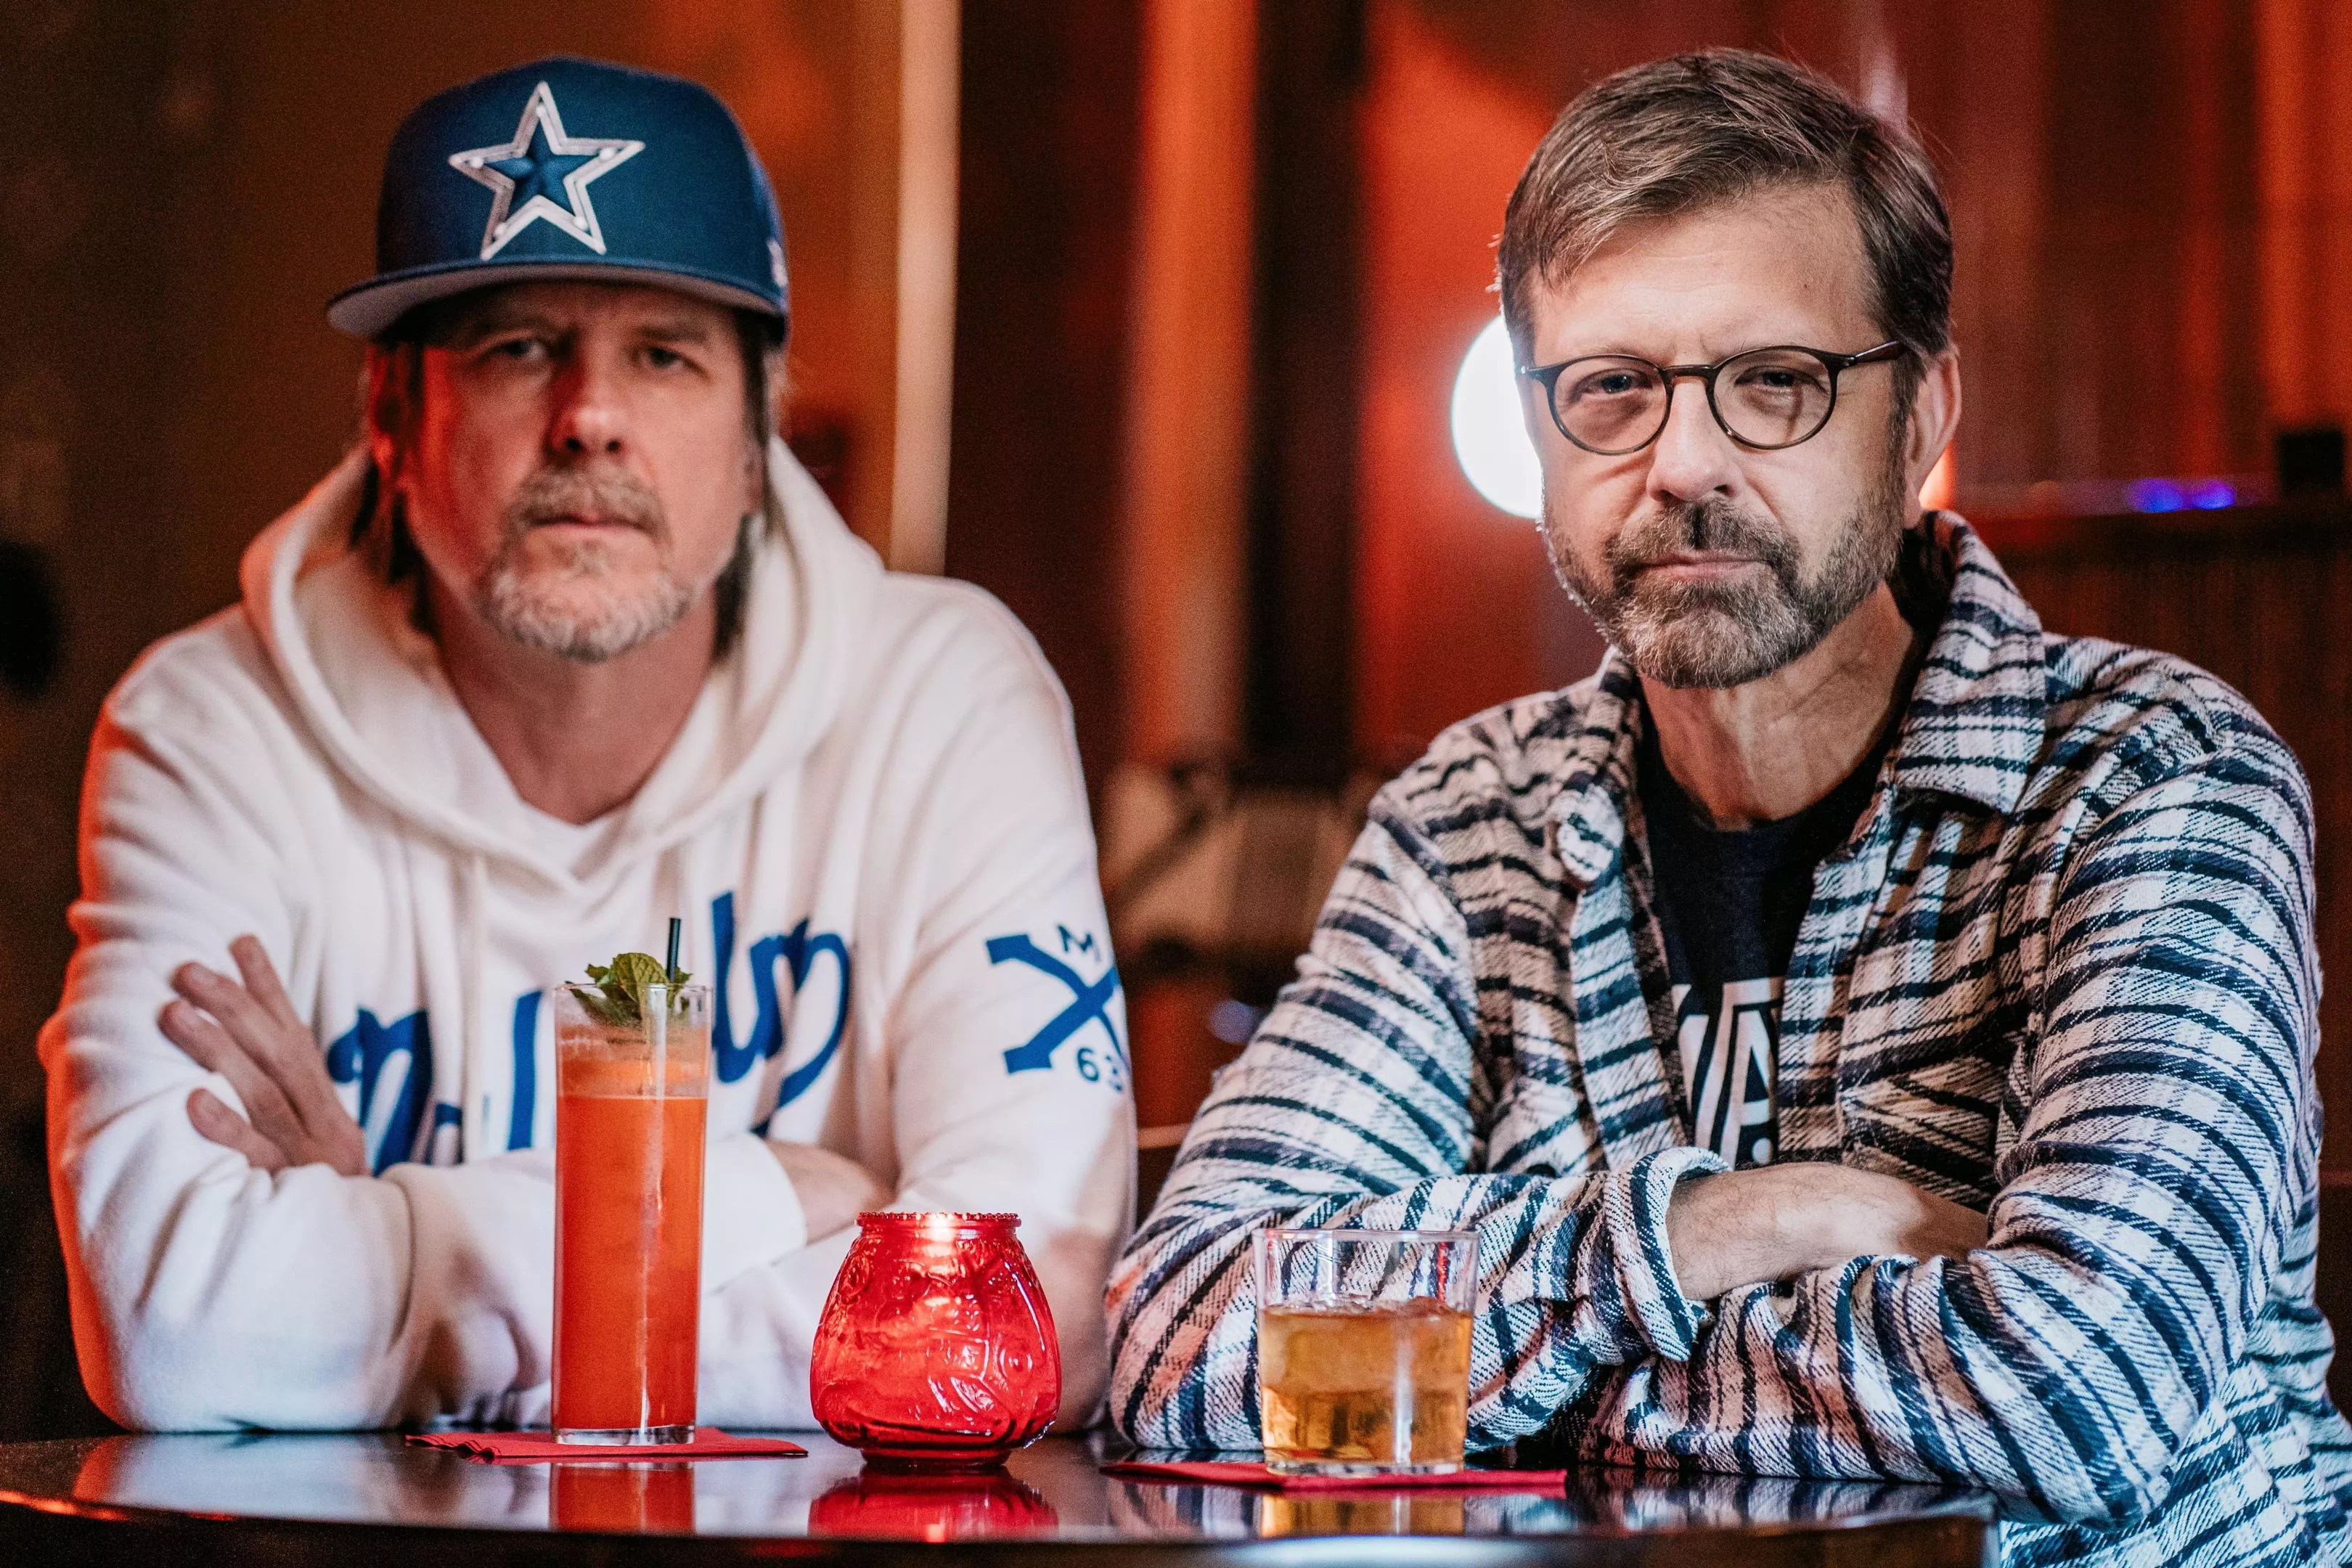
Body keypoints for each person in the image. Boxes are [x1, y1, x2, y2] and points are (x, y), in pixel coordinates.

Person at [1107, 49, 2350, 1567]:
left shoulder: (2148, 780)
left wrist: (1513, 1382)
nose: (1683, 461)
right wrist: (1733, 1229)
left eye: (1777, 383)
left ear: (1918, 417)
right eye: (1613, 389)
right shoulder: (1466, 821)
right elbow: (1177, 1343)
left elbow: (2081, 1386)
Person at [44, 56, 1132, 1432]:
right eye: (518, 347)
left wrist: (385, 1276)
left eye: (664, 355)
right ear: (389, 413)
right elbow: (172, 1340)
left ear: (756, 439)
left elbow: (1029, 1317)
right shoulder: (208, 730)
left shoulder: (947, 699)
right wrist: (771, 1198)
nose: (590, 417)